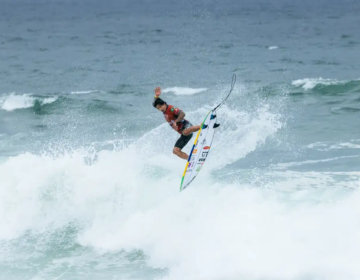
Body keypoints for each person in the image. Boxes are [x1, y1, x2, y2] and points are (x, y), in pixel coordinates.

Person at [153, 87, 201, 160]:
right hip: (183, 133)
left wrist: (176, 122)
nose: (160, 109)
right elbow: (157, 103)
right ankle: (191, 160)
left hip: (186, 126)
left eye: (160, 107)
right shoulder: (164, 111)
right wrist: (156, 97)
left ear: (164, 104)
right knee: (175, 151)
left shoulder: (171, 108)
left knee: (185, 131)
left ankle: (202, 126)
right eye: (158, 108)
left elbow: (182, 114)